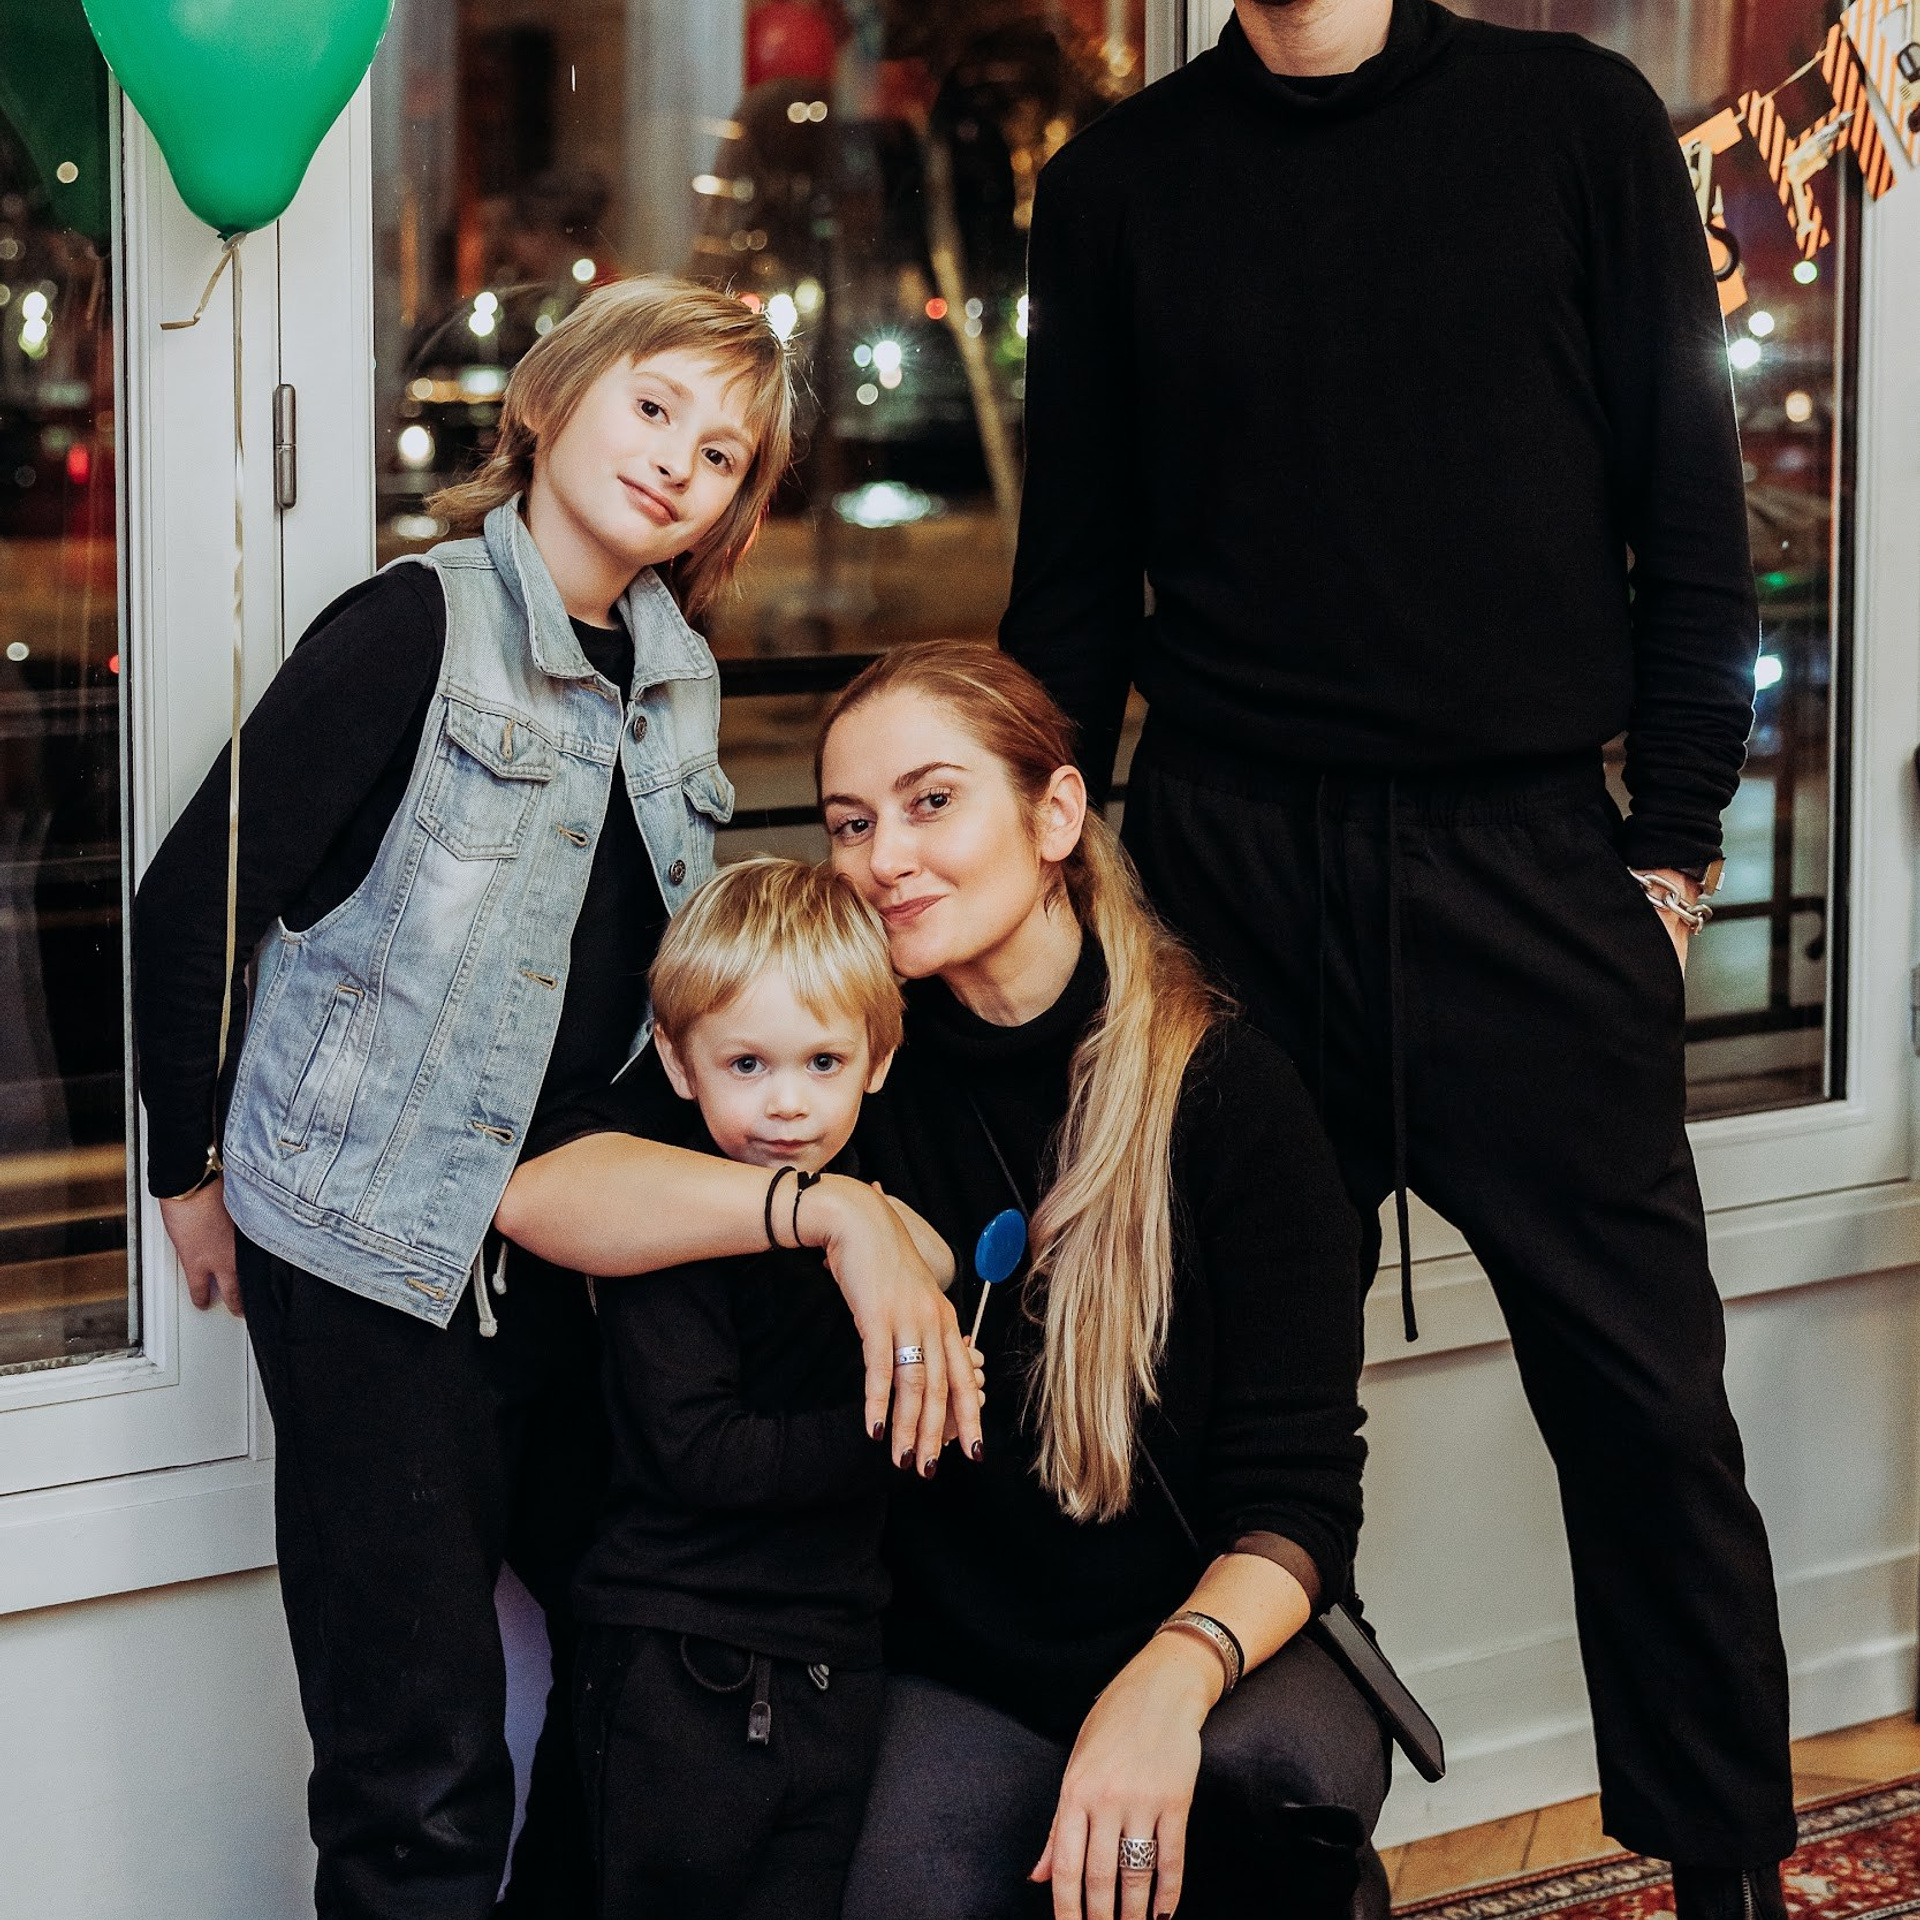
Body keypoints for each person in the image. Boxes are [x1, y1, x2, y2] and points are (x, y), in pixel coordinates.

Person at [999, 2, 1794, 1914]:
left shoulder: (1579, 123)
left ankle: (1730, 1879)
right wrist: (1046, 866)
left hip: (1522, 860)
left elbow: (1692, 517)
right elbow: (1078, 574)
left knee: (1651, 1416)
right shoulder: (1115, 185)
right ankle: (1257, 1847)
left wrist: (1671, 858)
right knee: (1184, 1396)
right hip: (1222, 866)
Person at [131, 275, 961, 1920]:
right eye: (653, 409)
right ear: (550, 401)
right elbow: (189, 901)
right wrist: (190, 1162)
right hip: (374, 1254)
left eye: (723, 453)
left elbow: (665, 992)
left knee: (645, 1659)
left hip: (572, 1249)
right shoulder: (414, 627)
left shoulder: (679, 675)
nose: (680, 464)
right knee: (421, 1760)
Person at [501, 642, 1388, 1920]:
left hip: (1198, 1635)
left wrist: (1166, 1684)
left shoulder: (1226, 1093)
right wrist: (836, 1213)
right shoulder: (835, 1071)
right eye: (852, 823)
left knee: (1261, 1791)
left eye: (931, 802)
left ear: (1055, 815)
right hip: (946, 1663)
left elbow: (1301, 1503)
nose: (883, 858)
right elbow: (542, 1191)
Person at [573, 856, 980, 1919]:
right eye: (746, 1063)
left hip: (835, 1661)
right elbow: (701, 1453)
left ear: (877, 1061)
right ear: (679, 1061)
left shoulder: (869, 1218)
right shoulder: (671, 1233)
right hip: (683, 1661)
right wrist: (901, 1423)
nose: (788, 1105)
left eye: (822, 1062)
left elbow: (938, 1261)